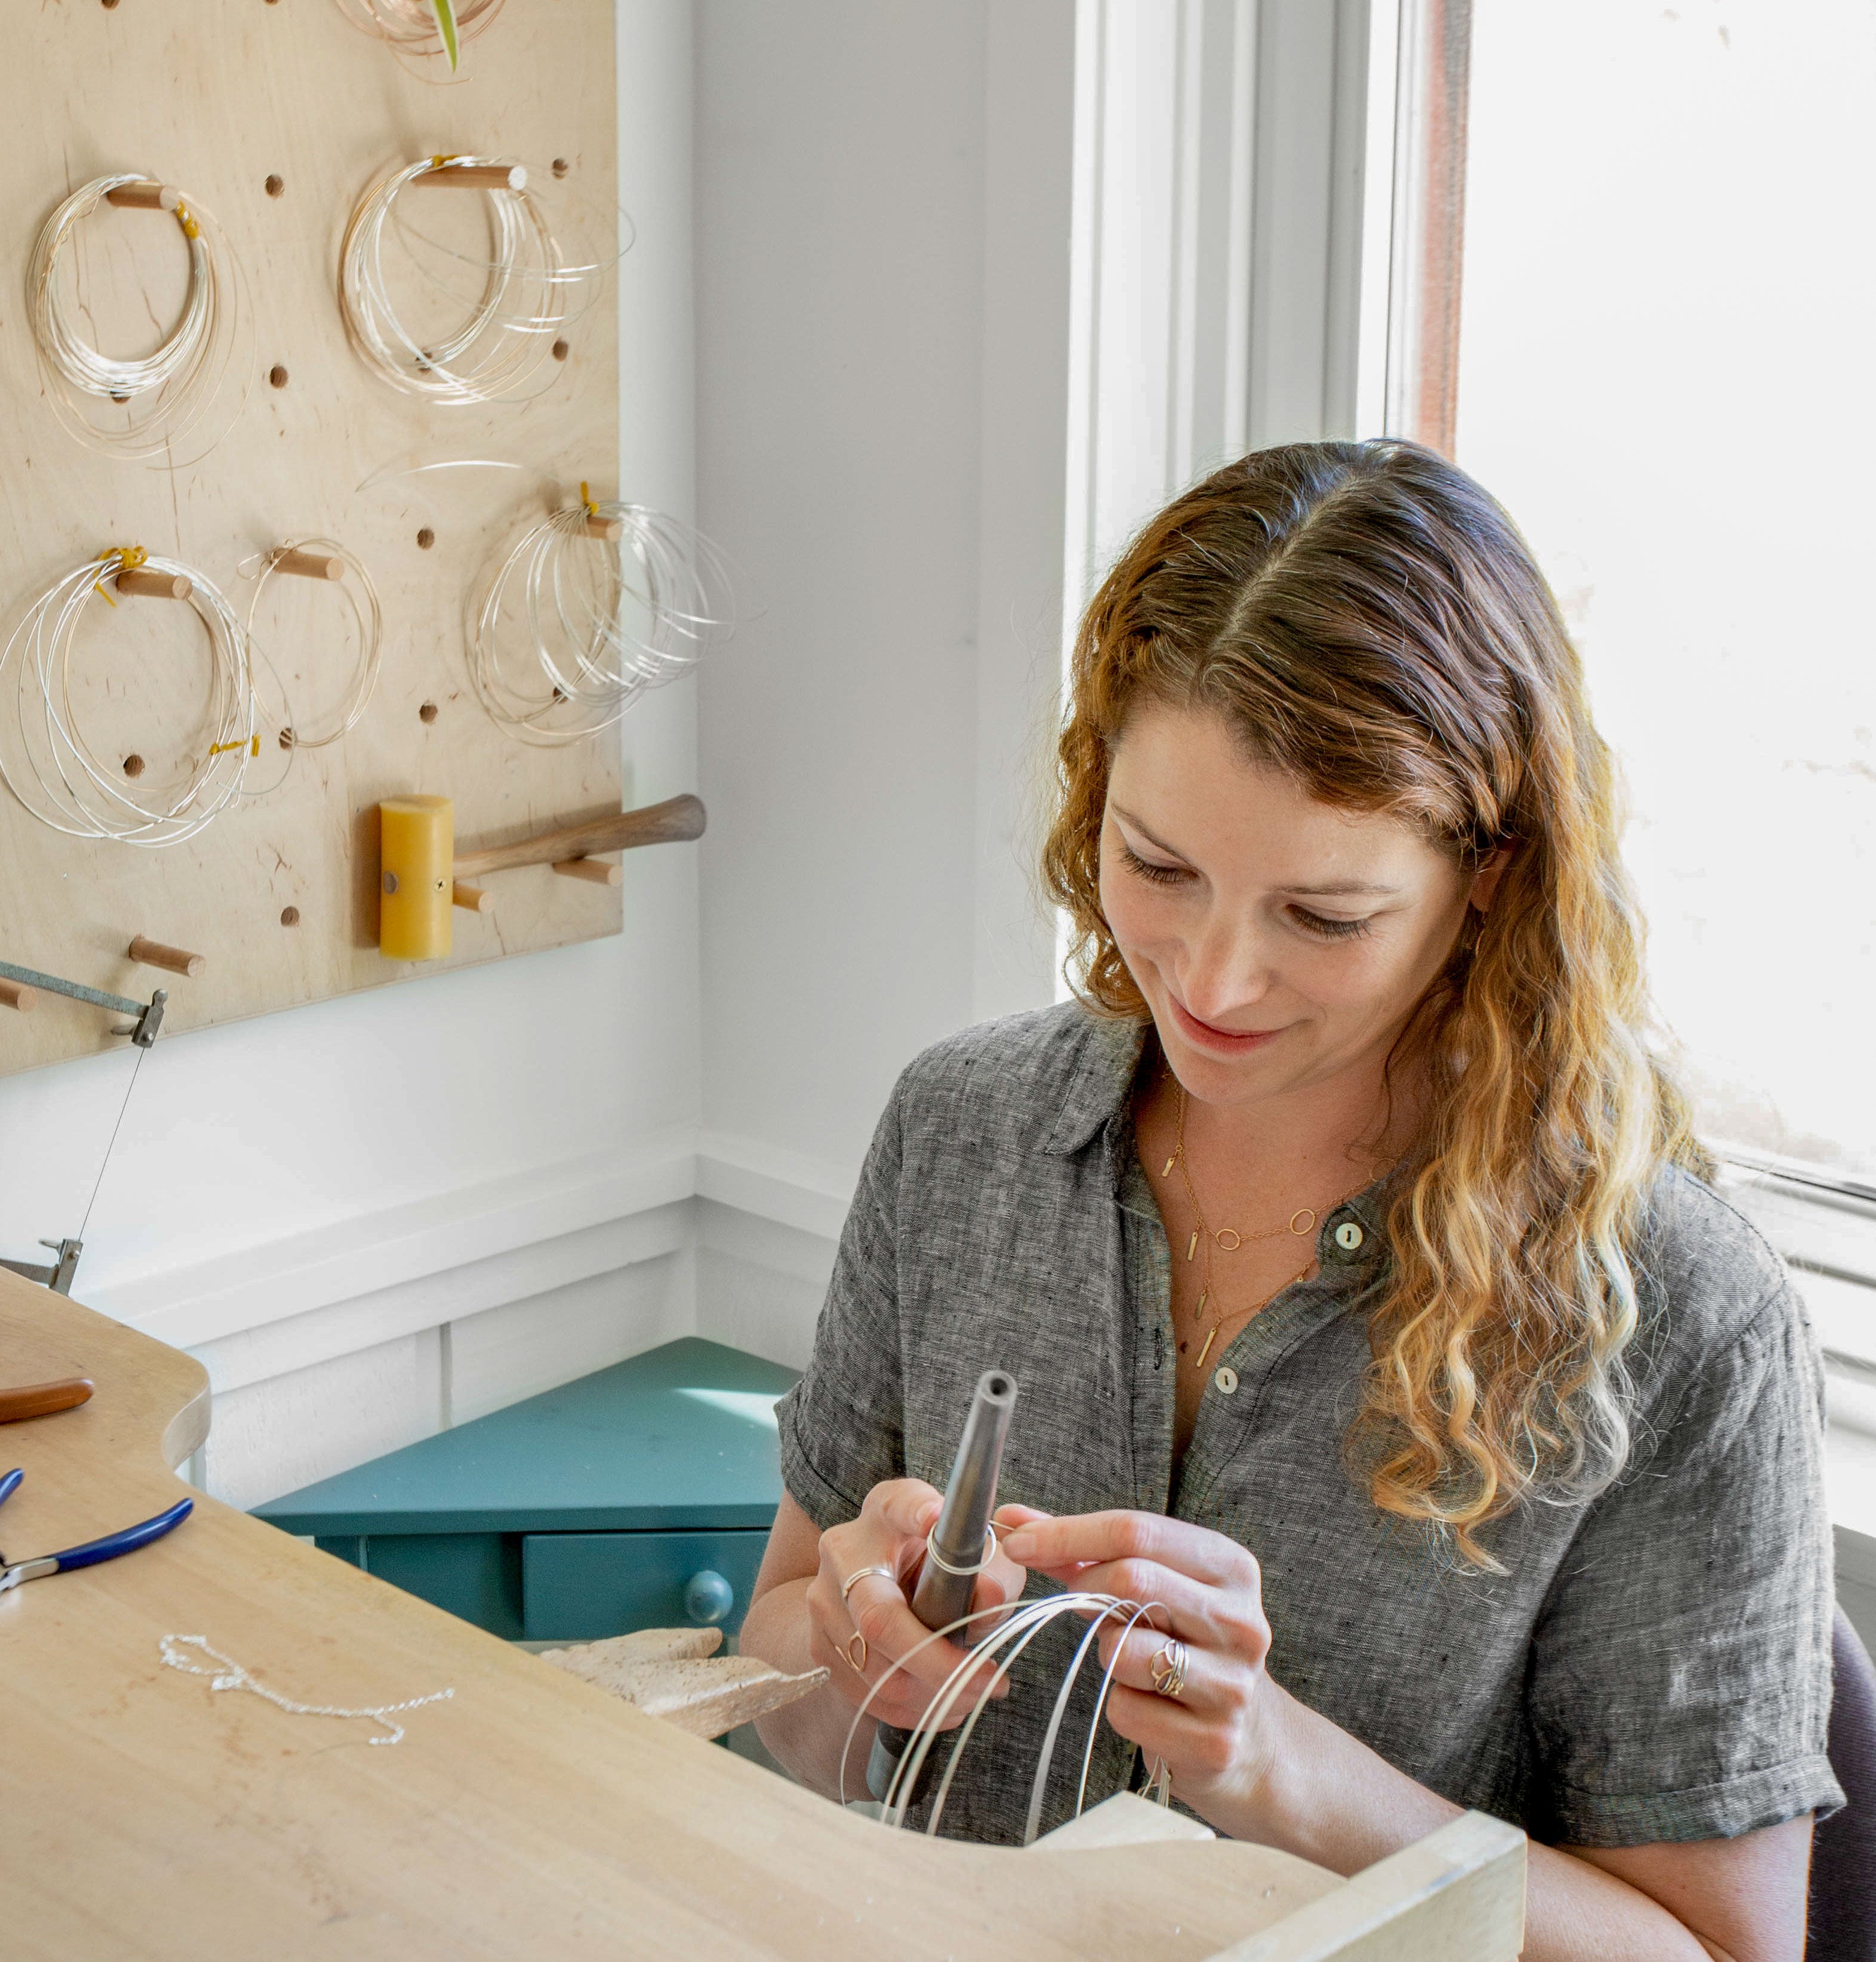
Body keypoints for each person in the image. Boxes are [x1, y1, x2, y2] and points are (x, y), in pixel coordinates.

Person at [740, 440, 1836, 1961]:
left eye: (1321, 914)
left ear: (1490, 881)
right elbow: (776, 1703)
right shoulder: (959, 1131)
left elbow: (1718, 1954)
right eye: (1156, 863)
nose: (1209, 979)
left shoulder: (1674, 1317)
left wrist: (1285, 1773)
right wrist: (841, 1648)